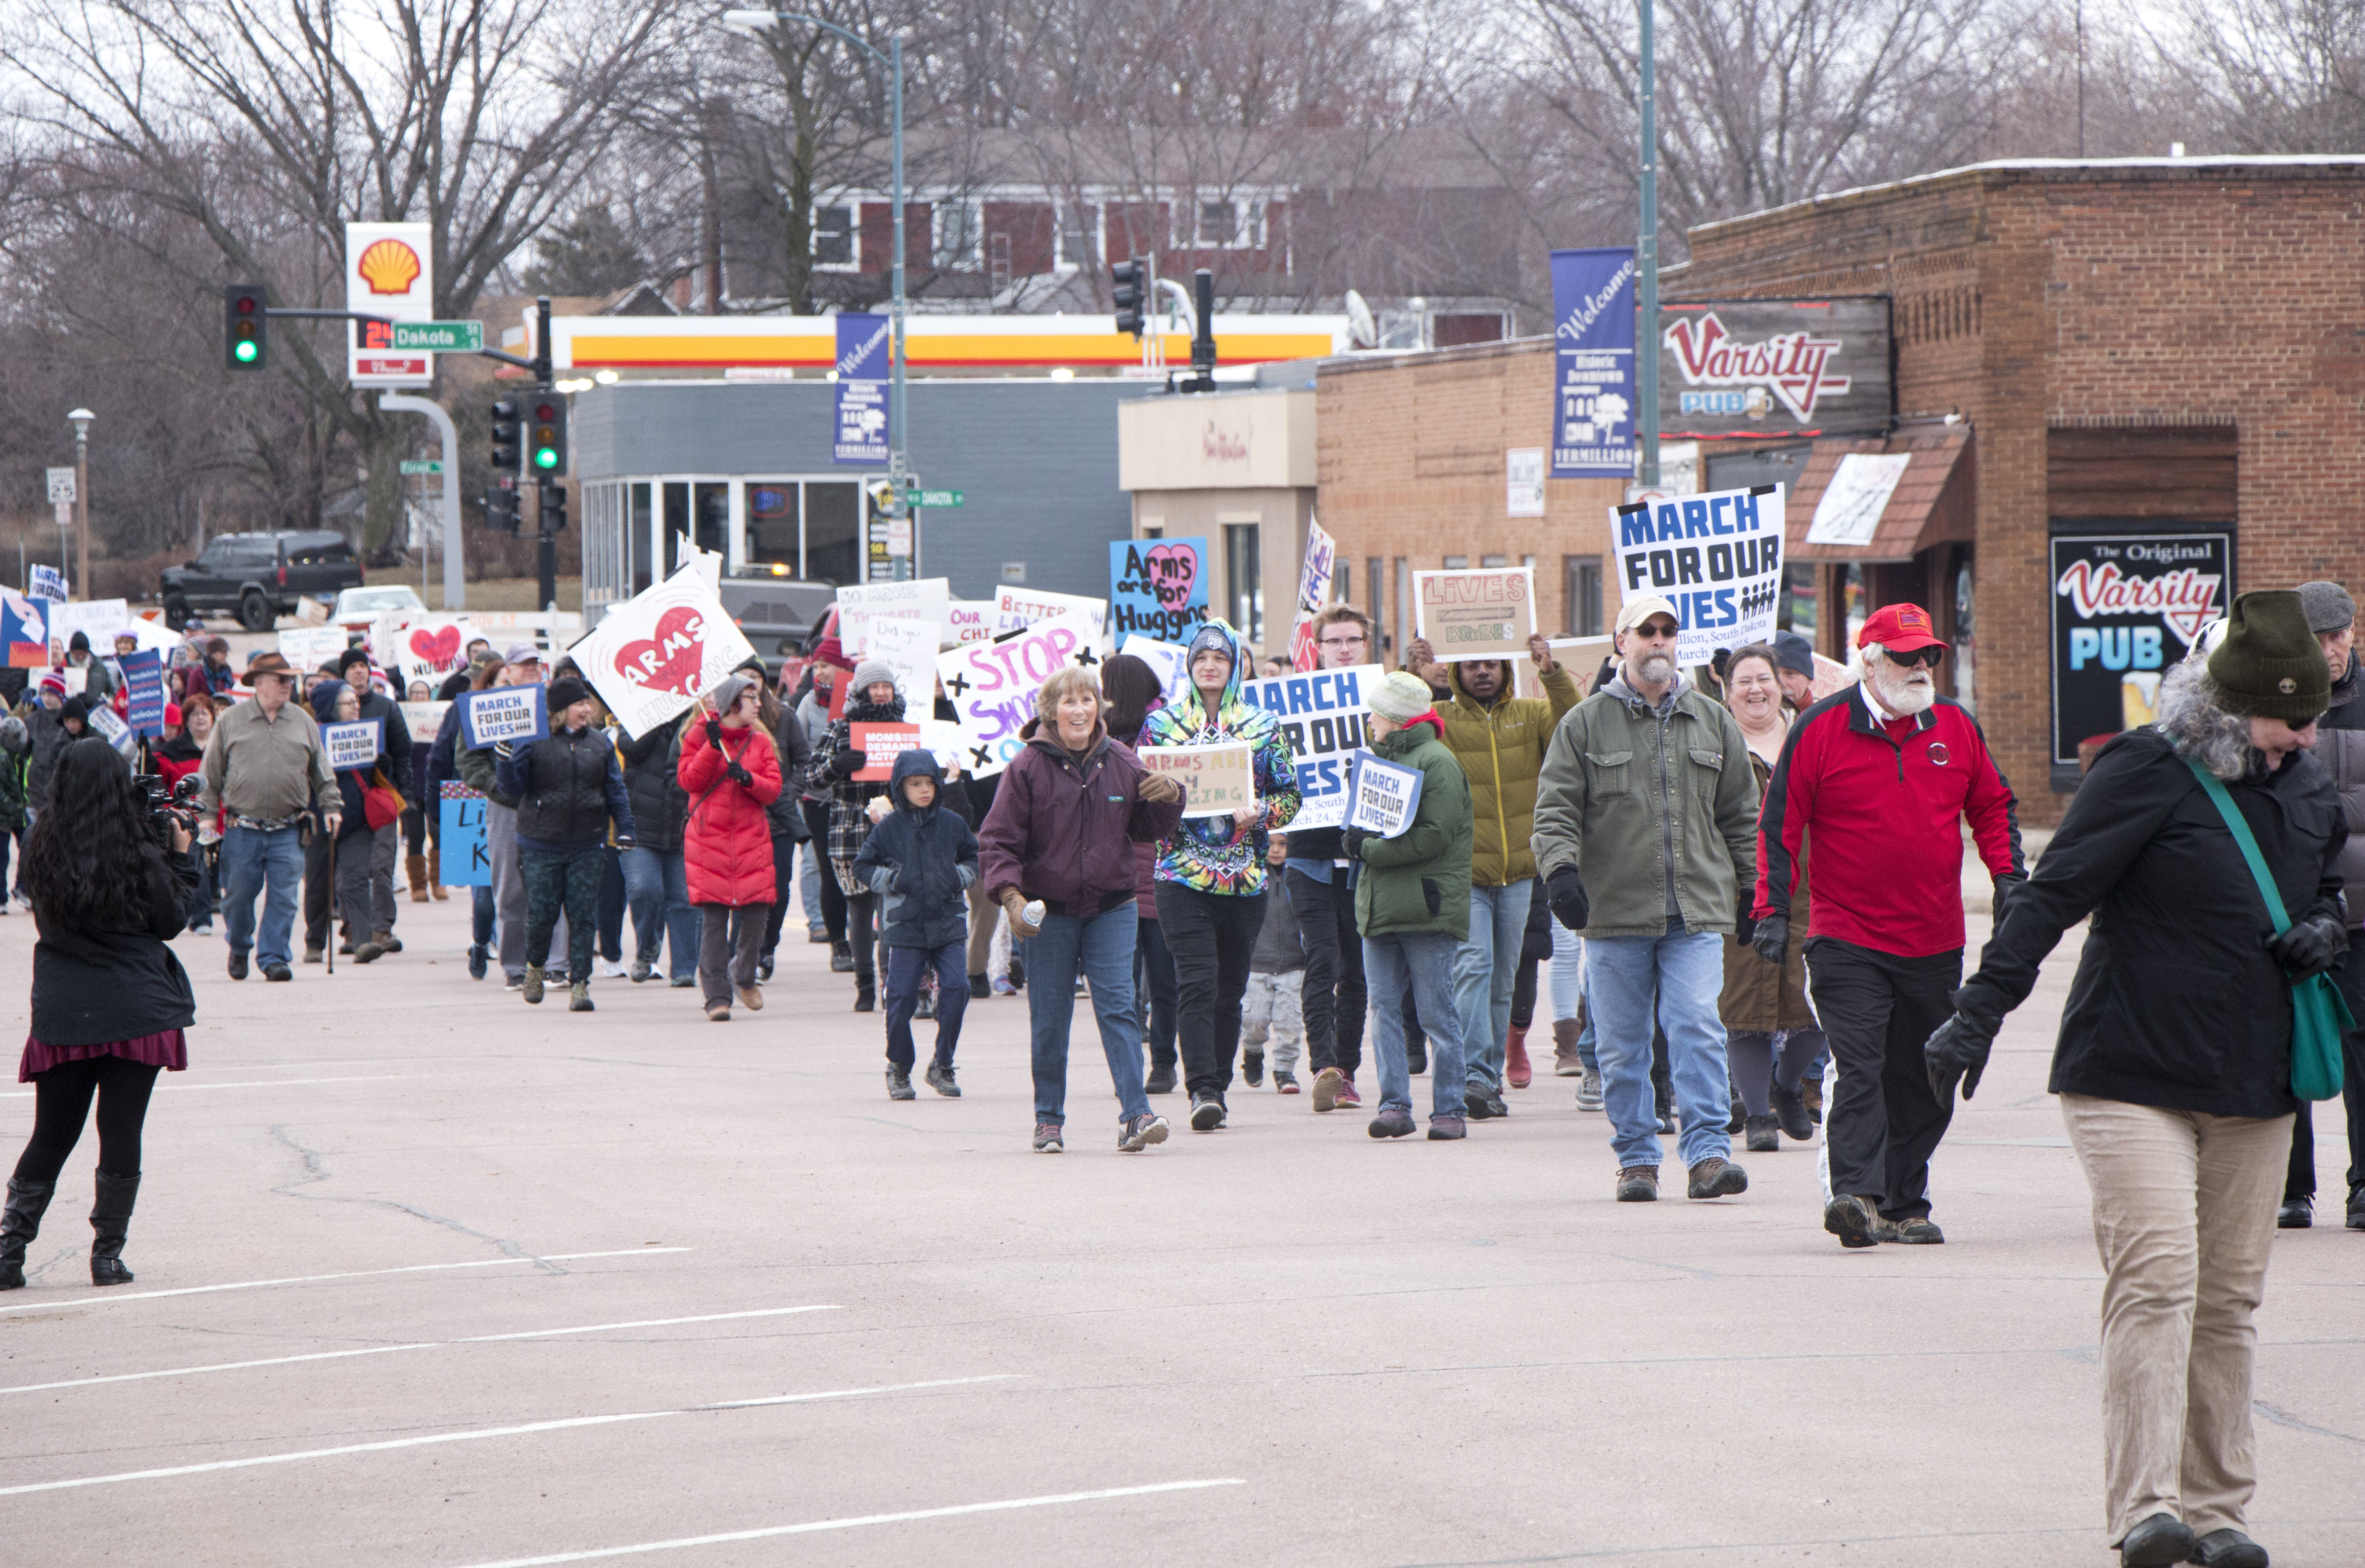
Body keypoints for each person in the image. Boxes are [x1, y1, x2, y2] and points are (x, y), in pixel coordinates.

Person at [1924, 591, 2337, 1568]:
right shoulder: (2148, 769)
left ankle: (2218, 1510)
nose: (2309, 737)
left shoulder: (2304, 783)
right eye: (2294, 718)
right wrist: (1978, 1009)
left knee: (2227, 1301)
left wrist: (2321, 926)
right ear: (2237, 704)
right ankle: (2145, 1509)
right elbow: (2053, 891)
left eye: (2319, 714)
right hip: (2130, 1071)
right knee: (2157, 1281)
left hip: (2252, 1075)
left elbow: (2322, 884)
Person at [1754, 604, 2024, 1246]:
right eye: (1905, 657)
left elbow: (1991, 804)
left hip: (1934, 938)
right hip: (1846, 937)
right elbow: (1780, 822)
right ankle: (1857, 1195)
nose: (1920, 667)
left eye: (1927, 655)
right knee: (1861, 1063)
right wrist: (1770, 907)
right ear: (1870, 662)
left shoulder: (1955, 726)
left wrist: (2009, 874)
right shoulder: (1821, 728)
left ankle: (1907, 1200)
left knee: (1925, 1071)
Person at [1531, 595, 1759, 1203]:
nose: (1658, 640)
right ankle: (1636, 1156)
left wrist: (1750, 886)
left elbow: (1741, 813)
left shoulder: (1711, 720)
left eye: (1667, 631)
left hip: (1694, 911)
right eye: (1645, 631)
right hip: (1614, 914)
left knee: (1696, 1025)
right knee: (1621, 1043)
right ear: (1621, 642)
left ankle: (1708, 1153)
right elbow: (1553, 812)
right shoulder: (1582, 725)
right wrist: (1560, 875)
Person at [1, 740, 199, 1291]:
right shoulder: (135, 847)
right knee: (121, 1131)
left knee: (52, 1133)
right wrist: (182, 856)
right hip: (136, 1005)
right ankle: (106, 1256)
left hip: (66, 1004)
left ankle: (8, 1249)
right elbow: (170, 919)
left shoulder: (42, 844)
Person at [978, 666, 1186, 1153]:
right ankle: (1048, 1119)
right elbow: (998, 839)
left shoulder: (1121, 759)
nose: (1080, 710)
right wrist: (1010, 895)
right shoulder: (1026, 766)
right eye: (1069, 702)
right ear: (1050, 711)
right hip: (1048, 911)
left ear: (1100, 708)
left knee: (1119, 1008)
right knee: (1050, 1016)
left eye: (1088, 700)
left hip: (1112, 906)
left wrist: (1169, 798)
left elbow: (1145, 828)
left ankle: (1136, 1114)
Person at [1403, 629, 1578, 1111]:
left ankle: (1487, 1079)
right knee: (1473, 967)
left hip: (1520, 868)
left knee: (1503, 978)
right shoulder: (1442, 718)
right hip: (1464, 870)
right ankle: (1469, 1074)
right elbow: (1396, 732)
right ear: (1456, 671)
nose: (1483, 672)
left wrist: (1552, 674)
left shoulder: (1531, 713)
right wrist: (1411, 676)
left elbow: (1575, 729)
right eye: (1473, 664)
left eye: (1492, 665)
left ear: (1505, 670)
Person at [1139, 620, 1302, 1132]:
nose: (1210, 664)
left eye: (1221, 657)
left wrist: (1262, 813)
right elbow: (1139, 798)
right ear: (1189, 665)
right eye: (1200, 657)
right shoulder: (1161, 728)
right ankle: (1202, 1089)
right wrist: (1157, 798)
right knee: (1196, 981)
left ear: (1235, 666)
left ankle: (1220, 1086)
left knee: (1228, 989)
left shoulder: (1261, 725)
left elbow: (1290, 797)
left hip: (1245, 878)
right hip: (1180, 874)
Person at [1354, 670, 1475, 1141]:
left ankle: (1449, 1107)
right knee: (1382, 1009)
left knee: (1436, 1012)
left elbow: (1432, 835)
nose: (1369, 719)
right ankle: (1394, 1105)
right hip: (1382, 905)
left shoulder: (1438, 763)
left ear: (1394, 718)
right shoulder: (1379, 761)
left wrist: (1367, 849)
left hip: (1426, 907)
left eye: (1375, 712)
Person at [1714, 643, 1825, 1154]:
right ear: (1726, 689)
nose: (1755, 689)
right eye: (1744, 681)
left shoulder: (1810, 735)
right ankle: (1757, 1113)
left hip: (1813, 889)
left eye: (1764, 678)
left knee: (1816, 1004)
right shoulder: (1715, 744)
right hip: (1739, 889)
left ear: (1781, 685)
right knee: (1745, 1007)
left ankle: (1787, 1084)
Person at [2278, 580, 2365, 1232]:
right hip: (2293, 906)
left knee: (2363, 1049)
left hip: (2361, 911)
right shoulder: (2277, 699)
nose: (2332, 650)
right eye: (2319, 638)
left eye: (2340, 636)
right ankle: (2291, 1188)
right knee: (2289, 1046)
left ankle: (2363, 1187)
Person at [1286, 606, 1376, 1113]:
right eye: (1334, 641)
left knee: (1357, 971)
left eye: (1353, 640)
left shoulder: (1381, 701)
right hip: (1308, 857)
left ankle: (1346, 1070)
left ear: (1365, 645)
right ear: (1317, 648)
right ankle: (1323, 1066)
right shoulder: (1294, 705)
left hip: (1363, 858)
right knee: (1321, 960)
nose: (1344, 648)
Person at [496, 675, 633, 1010]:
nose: (586, 710)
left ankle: (580, 984)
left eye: (587, 703)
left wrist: (626, 827)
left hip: (588, 842)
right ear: (560, 710)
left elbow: (615, 790)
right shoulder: (533, 740)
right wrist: (505, 762)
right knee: (542, 914)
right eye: (579, 704)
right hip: (540, 843)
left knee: (583, 915)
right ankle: (535, 968)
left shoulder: (600, 744)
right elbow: (514, 790)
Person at [201, 651, 337, 982]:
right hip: (242, 828)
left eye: (291, 679)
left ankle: (274, 956)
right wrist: (206, 816)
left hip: (288, 829)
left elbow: (322, 771)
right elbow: (210, 775)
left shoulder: (303, 721)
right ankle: (239, 944)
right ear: (259, 682)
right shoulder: (231, 721)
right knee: (238, 896)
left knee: (284, 897)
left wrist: (332, 806)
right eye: (282, 679)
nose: (289, 685)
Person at [854, 748, 978, 1099]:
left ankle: (942, 1063)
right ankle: (899, 1066)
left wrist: (959, 877)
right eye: (914, 784)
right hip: (906, 925)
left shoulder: (953, 823)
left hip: (948, 921)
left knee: (957, 987)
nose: (924, 790)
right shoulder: (889, 828)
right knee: (901, 996)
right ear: (901, 787)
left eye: (929, 783)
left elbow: (973, 856)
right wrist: (893, 880)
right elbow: (863, 866)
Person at [1099, 654, 1182, 1090]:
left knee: (1139, 982)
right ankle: (1150, 1066)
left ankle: (1158, 1063)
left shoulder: (1161, 735)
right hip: (1139, 874)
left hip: (1146, 871)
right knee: (1135, 984)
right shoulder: (1103, 739)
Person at [680, 674, 783, 1022]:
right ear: (731, 704)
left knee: (756, 915)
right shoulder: (699, 735)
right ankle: (716, 996)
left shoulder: (760, 742)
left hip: (750, 840)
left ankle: (744, 974)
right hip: (710, 841)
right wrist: (711, 747)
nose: (758, 704)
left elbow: (772, 790)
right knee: (714, 921)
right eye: (750, 698)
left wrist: (748, 779)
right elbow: (689, 781)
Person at [811, 659, 905, 1011]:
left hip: (892, 831)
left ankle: (888, 983)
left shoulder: (904, 728)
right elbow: (812, 778)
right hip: (850, 830)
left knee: (891, 908)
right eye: (874, 687)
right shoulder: (840, 728)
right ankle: (864, 984)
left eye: (886, 686)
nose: (881, 693)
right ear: (861, 691)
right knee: (860, 909)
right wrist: (837, 765)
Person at [459, 645, 549, 991]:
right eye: (523, 664)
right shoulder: (485, 707)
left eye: (535, 664)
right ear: (506, 670)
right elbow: (468, 760)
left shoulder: (549, 702)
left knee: (550, 890)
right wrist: (496, 785)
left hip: (547, 806)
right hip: (505, 806)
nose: (531, 669)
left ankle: (553, 965)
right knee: (511, 891)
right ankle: (514, 966)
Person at [332, 646, 414, 953]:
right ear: (344, 675)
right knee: (349, 871)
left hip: (380, 799)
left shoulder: (386, 708)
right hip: (346, 801)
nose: (359, 671)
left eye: (363, 665)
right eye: (352, 667)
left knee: (381, 866)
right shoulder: (333, 710)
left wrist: (406, 796)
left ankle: (381, 929)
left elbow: (403, 753)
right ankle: (353, 930)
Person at [616, 706, 698, 988]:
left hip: (683, 826)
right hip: (640, 826)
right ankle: (647, 947)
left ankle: (685, 968)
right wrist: (657, 720)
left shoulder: (696, 721)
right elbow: (629, 747)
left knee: (685, 898)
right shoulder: (640, 714)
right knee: (645, 889)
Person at [797, 642, 855, 973]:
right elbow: (801, 753)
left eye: (825, 665)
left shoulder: (858, 701)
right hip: (819, 801)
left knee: (862, 872)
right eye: (815, 666)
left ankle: (862, 933)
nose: (818, 671)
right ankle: (839, 944)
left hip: (857, 801)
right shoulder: (809, 703)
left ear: (843, 669)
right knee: (830, 873)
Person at [1240, 833, 1306, 1092]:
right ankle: (1253, 1052)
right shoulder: (1253, 874)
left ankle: (1285, 1071)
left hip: (1294, 964)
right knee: (1254, 1020)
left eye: (1284, 844)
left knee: (1290, 1024)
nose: (1276, 850)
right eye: (1271, 844)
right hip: (1257, 964)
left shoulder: (1300, 876)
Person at [154, 696, 217, 933]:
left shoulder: (222, 747)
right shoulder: (171, 751)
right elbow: (162, 785)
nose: (200, 718)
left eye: (205, 713)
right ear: (186, 721)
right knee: (197, 865)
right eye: (194, 714)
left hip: (224, 818)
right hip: (189, 820)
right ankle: (201, 919)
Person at [62, 631, 112, 706]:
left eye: (83, 653)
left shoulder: (100, 667)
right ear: (71, 652)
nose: (81, 657)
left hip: (96, 711)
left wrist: (111, 699)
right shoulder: (63, 666)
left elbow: (110, 690)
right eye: (77, 654)